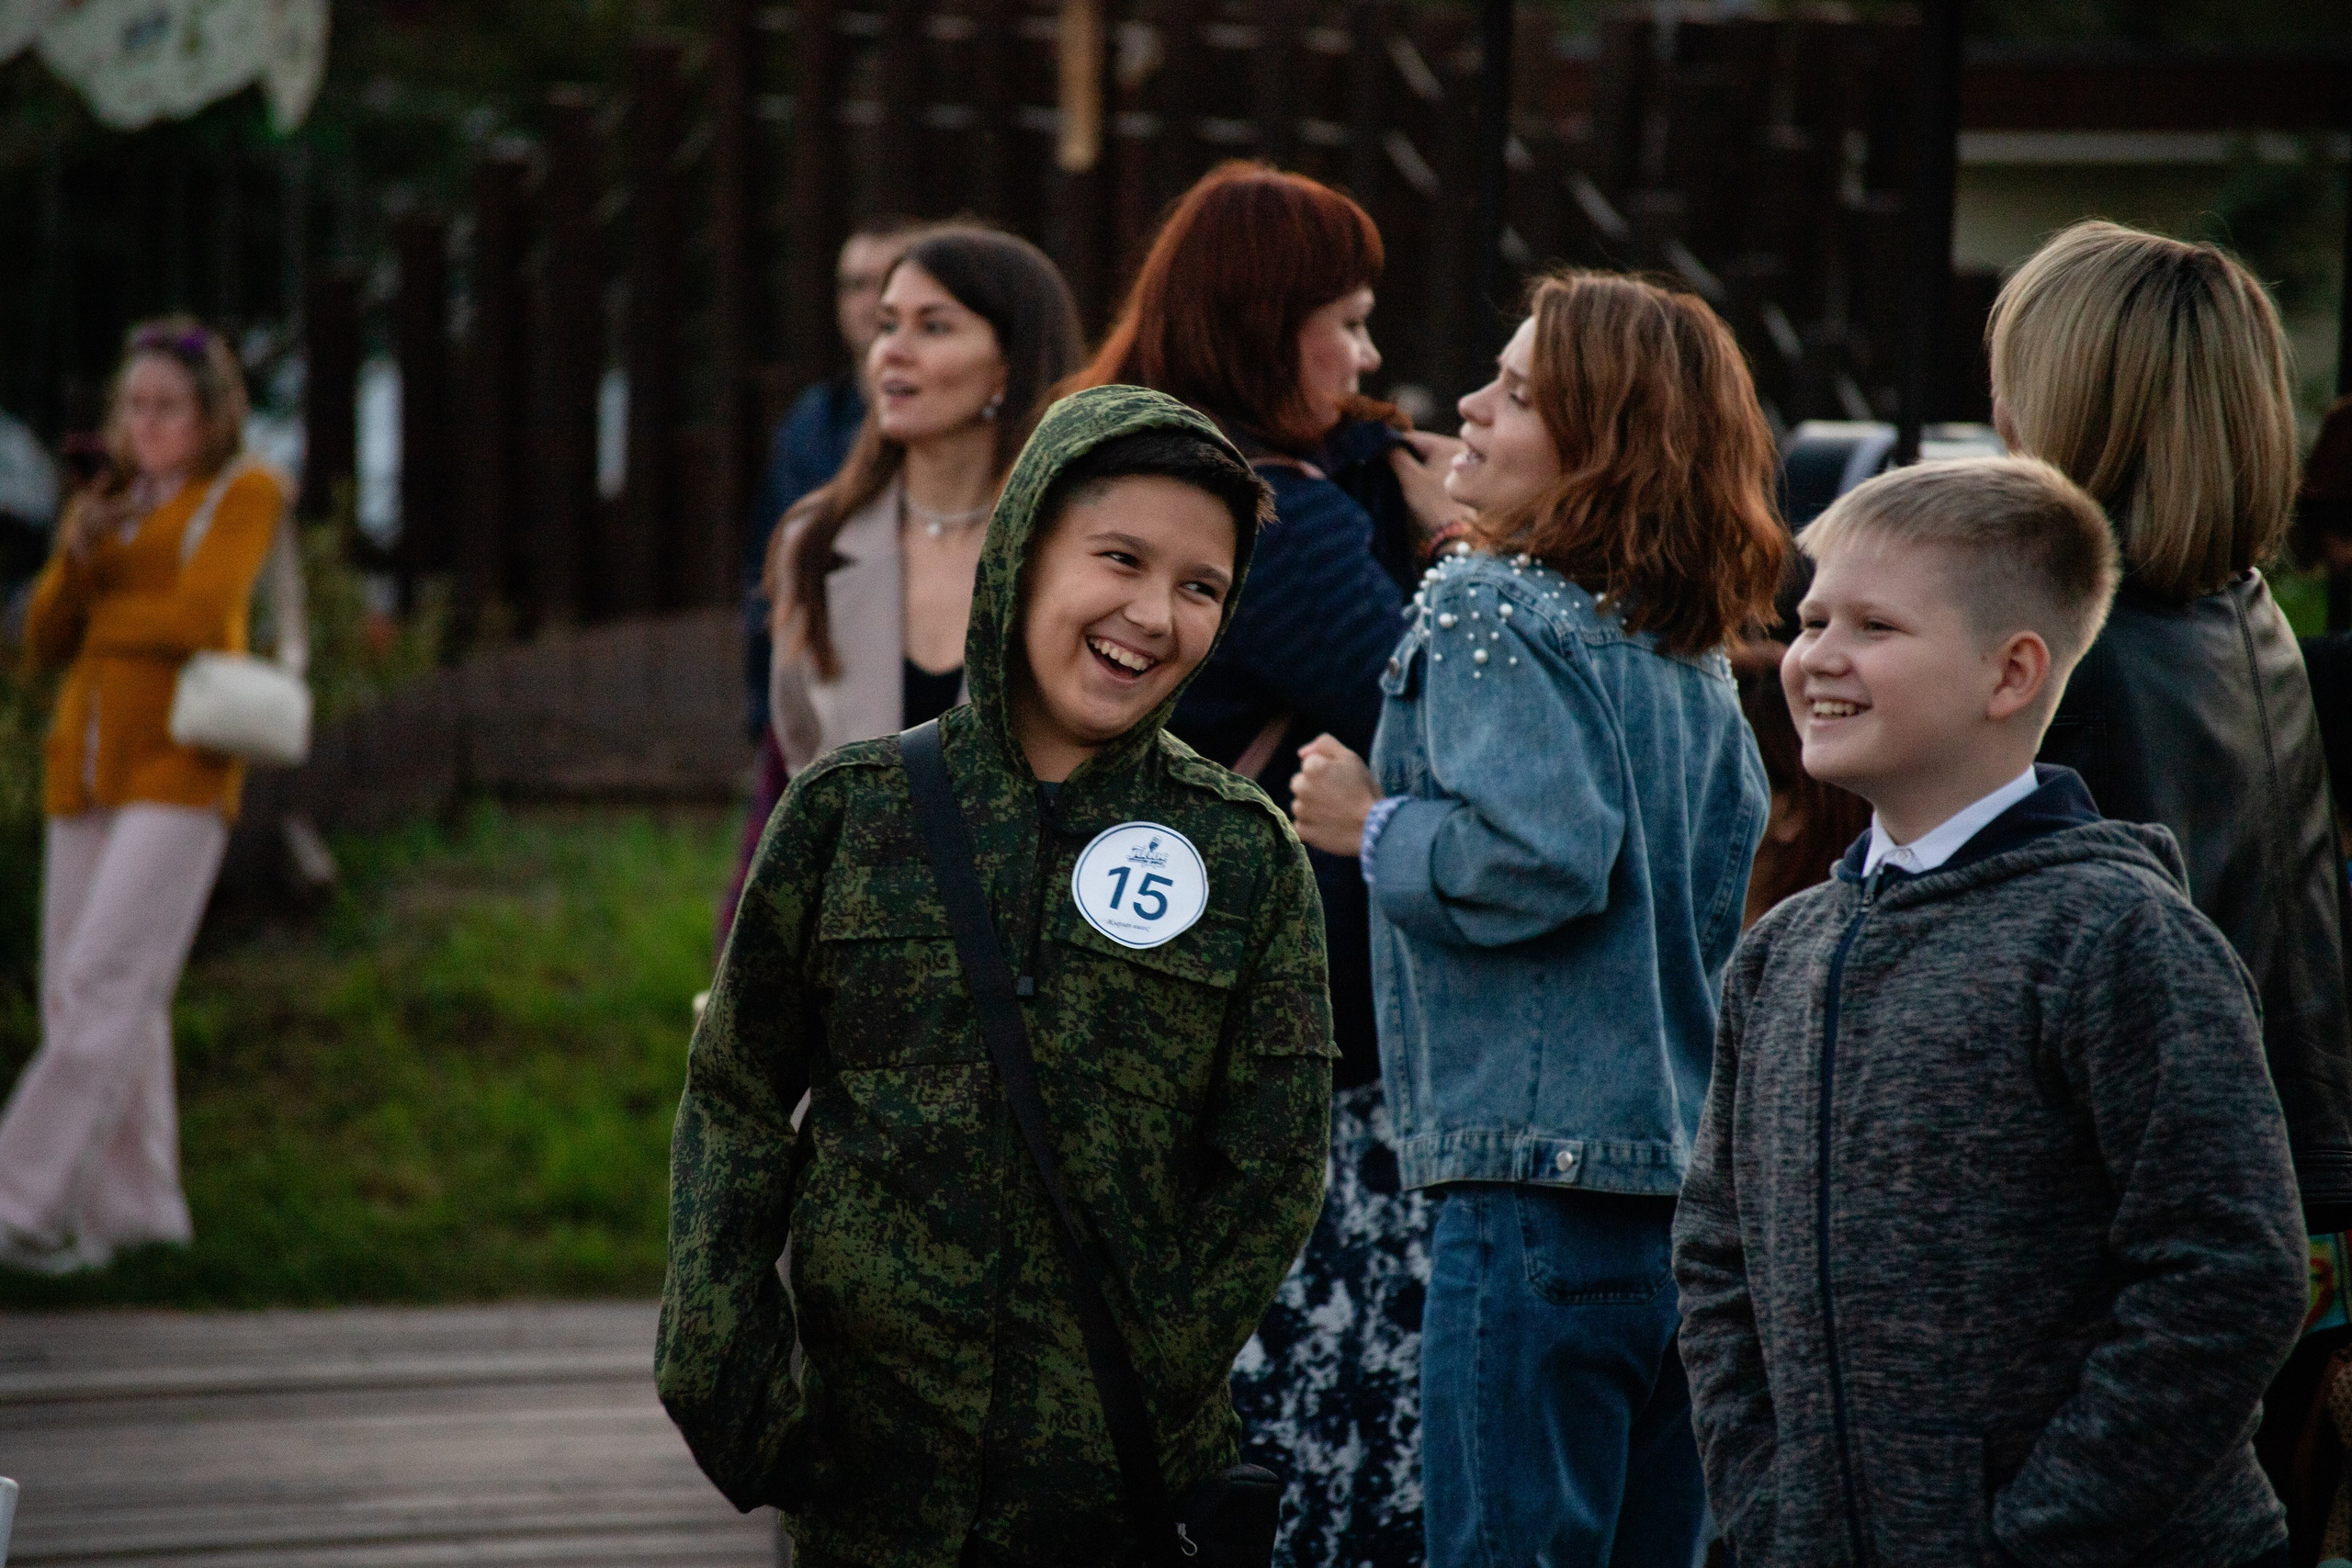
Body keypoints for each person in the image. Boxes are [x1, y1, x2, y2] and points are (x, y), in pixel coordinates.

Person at [658, 386, 1335, 1566]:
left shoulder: (1243, 855)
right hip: (865, 1489)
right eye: (1118, 558)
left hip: (1112, 1500)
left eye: (1199, 587)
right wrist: (722, 1371)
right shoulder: (847, 815)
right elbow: (737, 1095)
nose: (1151, 615)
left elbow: (1275, 1164)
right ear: (1023, 550)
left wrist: (1145, 1372)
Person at [1674, 455, 2308, 1566]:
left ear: (2010, 673)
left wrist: (2028, 1539)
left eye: (1873, 626)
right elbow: (1717, 1258)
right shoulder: (1778, 955)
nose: (1816, 655)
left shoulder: (2117, 939)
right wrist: (1771, 1511)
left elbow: (2229, 1274)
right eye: (1811, 616)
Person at [1288, 270, 1786, 1565]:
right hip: (1681, 1201)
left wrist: (1369, 822)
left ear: (1602, 445)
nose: (1464, 407)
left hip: (1528, 1189)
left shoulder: (1482, 604)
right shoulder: (1687, 652)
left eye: (1514, 393)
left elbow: (1538, 857)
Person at [1067, 161, 1459, 1564]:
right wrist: (1463, 539)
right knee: (1306, 1427)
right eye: (1345, 323)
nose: (1366, 360)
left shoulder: (1107, 462)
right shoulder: (1273, 517)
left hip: (1136, 970)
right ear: (1261, 319)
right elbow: (1427, 700)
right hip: (1275, 1028)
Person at [1988, 220, 2352, 1526]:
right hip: (2284, 1194)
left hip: (2139, 1254)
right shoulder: (2243, 615)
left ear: (2073, 403)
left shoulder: (2069, 668)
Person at [0, 318, 286, 1273]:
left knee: (106, 986)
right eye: (134, 406)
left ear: (210, 417)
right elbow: (41, 637)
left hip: (182, 766)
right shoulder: (109, 504)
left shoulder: (243, 491)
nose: (147, 424)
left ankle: (21, 1202)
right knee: (91, 994)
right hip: (85, 765)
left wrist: (110, 602)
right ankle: (139, 1216)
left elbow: (206, 613)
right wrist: (81, 548)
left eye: (167, 406)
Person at [762, 227, 1081, 774]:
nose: (891, 351)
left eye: (933, 327)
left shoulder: (1072, 545)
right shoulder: (817, 538)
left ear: (1009, 365)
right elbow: (799, 756)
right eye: (888, 325)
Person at [721, 215, 930, 947]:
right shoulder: (812, 426)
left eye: (888, 285)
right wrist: (766, 714)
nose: (868, 304)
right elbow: (769, 580)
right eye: (854, 285)